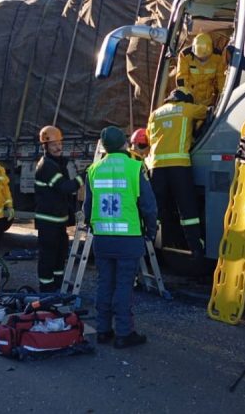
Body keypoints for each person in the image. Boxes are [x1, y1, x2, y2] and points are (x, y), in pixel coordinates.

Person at [84, 126, 158, 349]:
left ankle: (103, 331)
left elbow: (88, 208)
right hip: (129, 238)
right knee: (124, 286)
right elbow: (149, 206)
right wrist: (151, 231)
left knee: (105, 283)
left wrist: (93, 227)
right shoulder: (135, 168)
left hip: (103, 238)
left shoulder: (93, 170)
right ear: (125, 144)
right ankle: (124, 334)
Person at [147, 88, 207, 259]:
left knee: (156, 207)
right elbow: (207, 112)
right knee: (186, 207)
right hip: (179, 165)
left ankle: (147, 244)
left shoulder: (155, 113)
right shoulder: (187, 108)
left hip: (156, 167)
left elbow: (150, 137)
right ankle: (195, 247)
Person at [34, 125, 84, 292]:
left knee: (59, 256)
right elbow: (65, 188)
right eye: (54, 144)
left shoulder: (56, 163)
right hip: (48, 222)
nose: (58, 147)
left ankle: (58, 285)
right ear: (45, 146)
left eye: (60, 143)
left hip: (58, 221)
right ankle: (46, 289)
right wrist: (83, 177)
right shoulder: (46, 166)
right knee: (48, 257)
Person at [176, 33, 226, 107]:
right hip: (190, 101)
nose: (203, 60)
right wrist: (184, 98)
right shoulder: (185, 56)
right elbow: (181, 78)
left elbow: (221, 78)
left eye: (206, 58)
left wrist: (223, 96)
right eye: (199, 58)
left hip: (209, 101)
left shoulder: (218, 57)